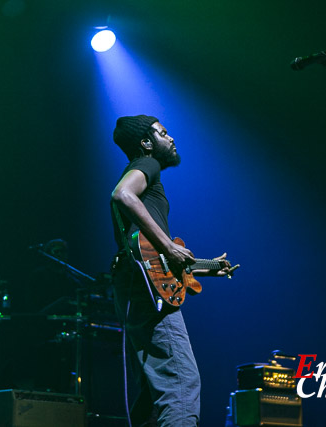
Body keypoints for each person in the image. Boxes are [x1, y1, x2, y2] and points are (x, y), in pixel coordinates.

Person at [110, 115, 234, 426]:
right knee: (181, 384)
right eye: (163, 133)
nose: (171, 138)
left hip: (133, 282)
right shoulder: (147, 164)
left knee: (152, 395)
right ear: (147, 143)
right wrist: (168, 245)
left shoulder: (147, 172)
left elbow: (156, 262)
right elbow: (123, 195)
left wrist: (205, 270)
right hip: (145, 288)